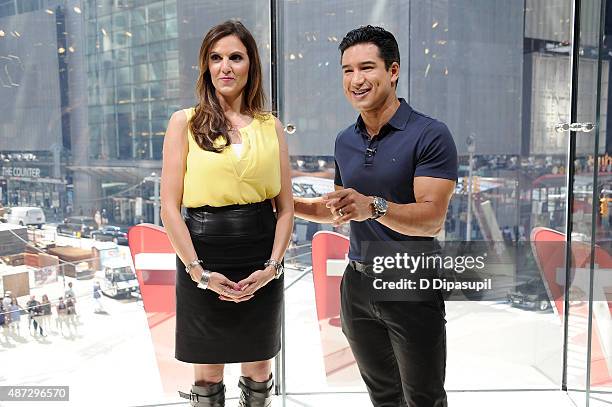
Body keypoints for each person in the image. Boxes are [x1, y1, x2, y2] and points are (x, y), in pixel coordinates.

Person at [294, 26, 457, 407]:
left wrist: (375, 207)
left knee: (424, 398)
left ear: (393, 71)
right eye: (347, 70)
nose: (356, 80)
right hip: (358, 285)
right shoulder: (344, 140)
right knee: (383, 396)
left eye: (366, 68)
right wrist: (286, 206)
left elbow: (432, 218)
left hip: (410, 281)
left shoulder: (430, 134)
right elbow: (340, 207)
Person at [160, 20, 293, 407]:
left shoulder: (271, 127)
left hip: (261, 258)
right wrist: (198, 272)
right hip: (202, 256)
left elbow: (285, 210)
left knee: (258, 370)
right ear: (206, 66)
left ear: (251, 64)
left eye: (236, 57)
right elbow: (169, 208)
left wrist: (272, 266)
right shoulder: (183, 122)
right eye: (216, 58)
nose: (226, 67)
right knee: (207, 373)